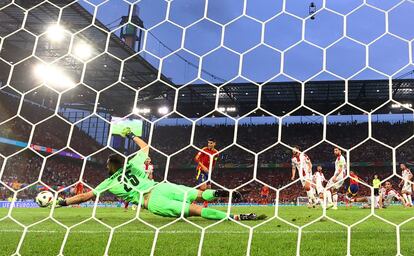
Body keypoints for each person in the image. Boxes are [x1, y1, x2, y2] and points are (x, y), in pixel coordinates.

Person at [53, 128, 265, 221]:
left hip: (151, 201)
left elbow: (84, 197)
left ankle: (237, 217)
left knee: (196, 210)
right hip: (160, 186)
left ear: (109, 167)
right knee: (198, 194)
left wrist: (61, 202)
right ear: (121, 161)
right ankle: (225, 194)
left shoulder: (108, 183)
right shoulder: (133, 163)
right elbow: (146, 147)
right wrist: (131, 135)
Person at [194, 138, 219, 207]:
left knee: (208, 188)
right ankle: (193, 200)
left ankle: (205, 204)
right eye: (208, 143)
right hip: (201, 170)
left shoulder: (216, 153)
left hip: (208, 172)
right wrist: (203, 167)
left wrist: (210, 171)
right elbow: (196, 158)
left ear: (214, 144)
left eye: (211, 143)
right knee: (203, 187)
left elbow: (214, 162)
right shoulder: (204, 149)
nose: (209, 144)